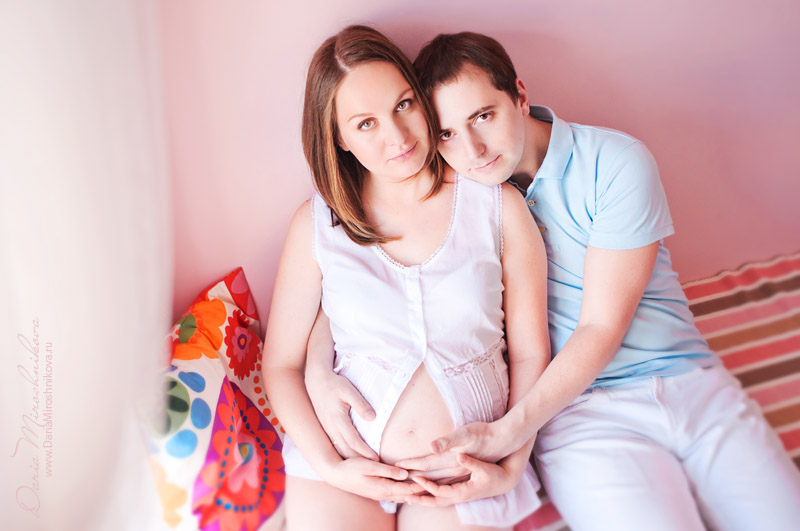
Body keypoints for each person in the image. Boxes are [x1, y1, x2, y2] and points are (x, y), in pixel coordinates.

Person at [306, 31, 800, 530]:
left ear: (519, 95)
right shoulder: (455, 194)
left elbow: (600, 328)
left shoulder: (614, 162)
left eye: (484, 116)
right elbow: (383, 284)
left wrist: (508, 439)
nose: (473, 149)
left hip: (687, 381)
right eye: (447, 133)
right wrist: (317, 367)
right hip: (578, 414)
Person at [262, 26, 550, 531]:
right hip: (344, 466)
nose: (397, 137)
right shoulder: (318, 225)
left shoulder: (497, 206)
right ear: (339, 138)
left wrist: (511, 460)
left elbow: (529, 353)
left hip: (463, 471)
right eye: (365, 123)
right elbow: (281, 365)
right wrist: (332, 466)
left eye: (403, 105)